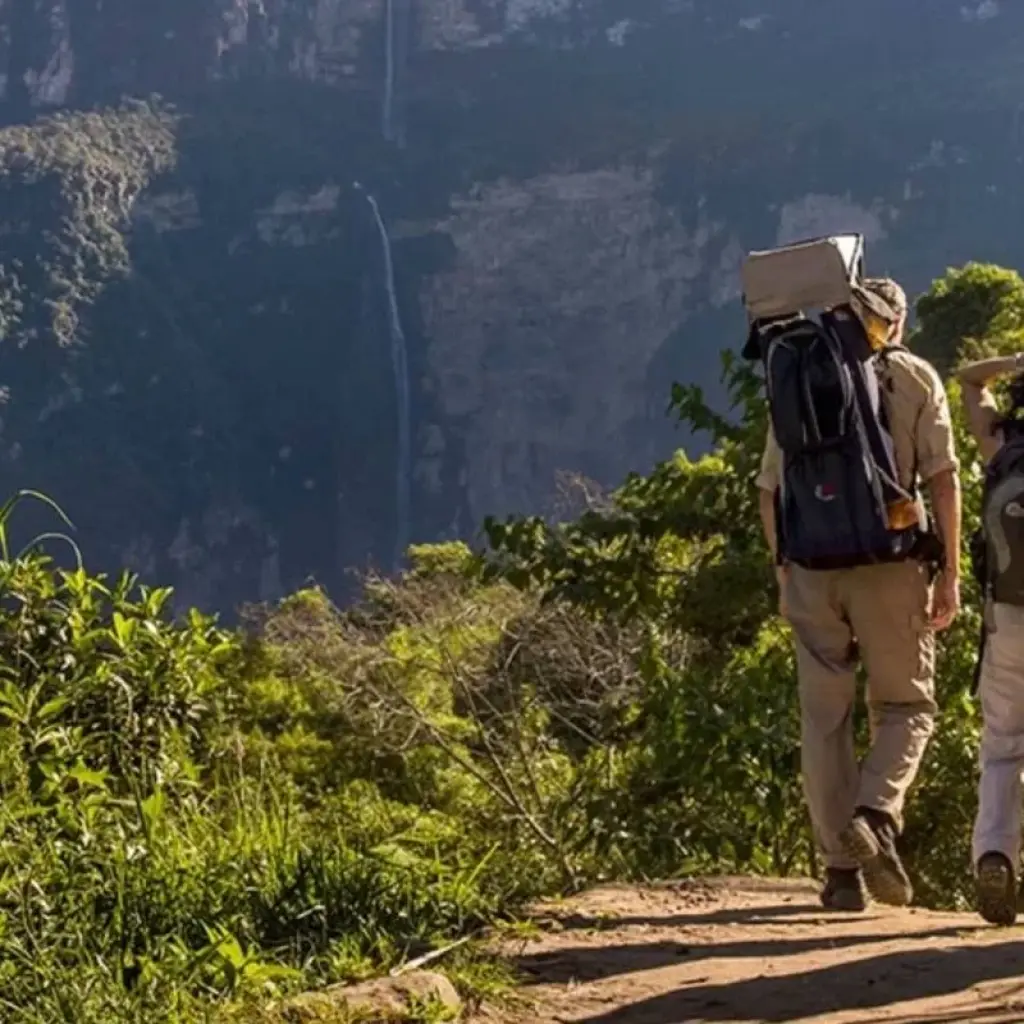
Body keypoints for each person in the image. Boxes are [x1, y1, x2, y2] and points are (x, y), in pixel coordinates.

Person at [756, 278, 962, 912]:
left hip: (811, 569)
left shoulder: (800, 367)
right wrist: (950, 570)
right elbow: (944, 477)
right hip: (890, 565)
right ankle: (875, 813)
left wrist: (783, 565)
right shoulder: (915, 376)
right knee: (906, 706)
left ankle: (841, 876)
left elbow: (769, 489)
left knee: (825, 722)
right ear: (895, 323)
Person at [958, 351, 1024, 925]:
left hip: (1006, 617)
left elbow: (970, 379)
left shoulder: (1002, 449)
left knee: (1003, 745)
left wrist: (1017, 359)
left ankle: (996, 852)